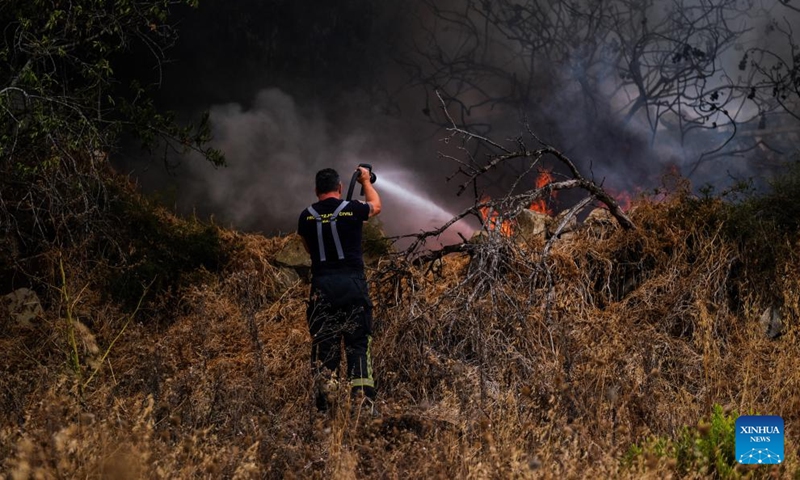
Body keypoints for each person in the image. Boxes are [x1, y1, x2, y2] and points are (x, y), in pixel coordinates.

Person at [297, 167, 382, 414]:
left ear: (316, 190)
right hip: (353, 286)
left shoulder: (306, 216)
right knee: (358, 345)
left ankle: (326, 411)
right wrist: (366, 181)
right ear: (340, 187)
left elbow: (309, 250)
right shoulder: (353, 208)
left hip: (322, 288)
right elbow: (375, 205)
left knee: (324, 347)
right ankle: (363, 407)